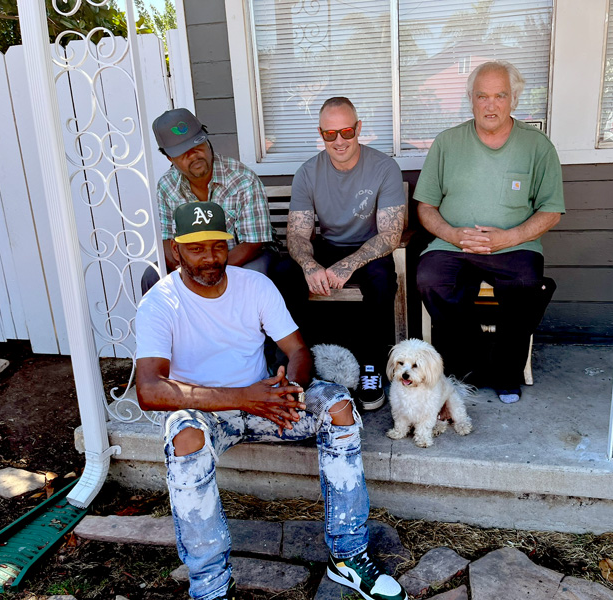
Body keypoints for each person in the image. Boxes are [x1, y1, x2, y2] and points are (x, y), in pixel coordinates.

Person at [135, 200, 408, 600]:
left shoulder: (255, 285)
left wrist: (291, 391)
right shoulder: (160, 302)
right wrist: (244, 398)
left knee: (338, 406)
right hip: (208, 413)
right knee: (184, 437)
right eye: (196, 248)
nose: (210, 258)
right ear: (176, 250)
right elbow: (150, 390)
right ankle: (210, 584)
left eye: (217, 246)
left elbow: (298, 352)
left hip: (266, 404)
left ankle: (348, 556)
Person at [415, 60, 565, 404]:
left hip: (514, 247)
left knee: (528, 286)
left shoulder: (537, 146)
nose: (491, 104)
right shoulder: (447, 143)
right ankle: (472, 362)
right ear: (471, 99)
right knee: (430, 279)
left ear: (514, 99)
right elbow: (425, 206)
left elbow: (551, 210)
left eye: (500, 95)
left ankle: (506, 371)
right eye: (482, 96)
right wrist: (454, 235)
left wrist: (508, 238)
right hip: (454, 245)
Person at [284, 97, 406, 411]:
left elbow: (390, 235)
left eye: (347, 132)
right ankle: (297, 364)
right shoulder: (308, 172)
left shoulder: (383, 167)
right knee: (284, 274)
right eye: (330, 134)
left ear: (359, 129)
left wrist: (348, 265)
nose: (339, 141)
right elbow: (298, 233)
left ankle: (371, 367)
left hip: (369, 248)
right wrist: (310, 265)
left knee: (381, 279)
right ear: (320, 134)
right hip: (328, 247)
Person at [141, 108, 277, 294]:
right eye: (183, 152)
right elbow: (167, 240)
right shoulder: (167, 185)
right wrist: (190, 272)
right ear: (169, 158)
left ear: (207, 141)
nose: (194, 155)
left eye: (198, 145)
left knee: (252, 275)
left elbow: (253, 243)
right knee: (152, 276)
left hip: (245, 256)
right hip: (193, 262)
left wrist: (210, 272)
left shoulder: (243, 179)